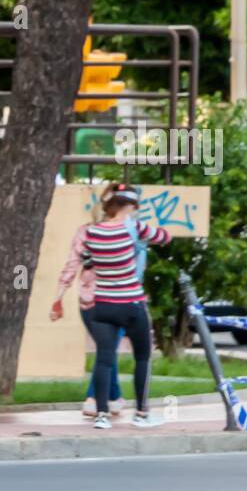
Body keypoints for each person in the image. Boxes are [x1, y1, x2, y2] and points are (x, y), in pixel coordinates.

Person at [51, 182, 148, 418]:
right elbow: (139, 266)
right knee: (109, 352)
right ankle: (96, 398)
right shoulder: (132, 231)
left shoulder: (87, 232)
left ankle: (112, 397)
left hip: (90, 301)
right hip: (120, 300)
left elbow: (71, 265)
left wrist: (58, 298)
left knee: (106, 351)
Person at [79, 183, 170, 429]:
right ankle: (141, 413)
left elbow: (87, 262)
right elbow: (164, 237)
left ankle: (101, 416)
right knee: (142, 357)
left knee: (104, 360)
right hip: (131, 303)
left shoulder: (92, 233)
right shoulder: (134, 227)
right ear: (129, 206)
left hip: (103, 306)